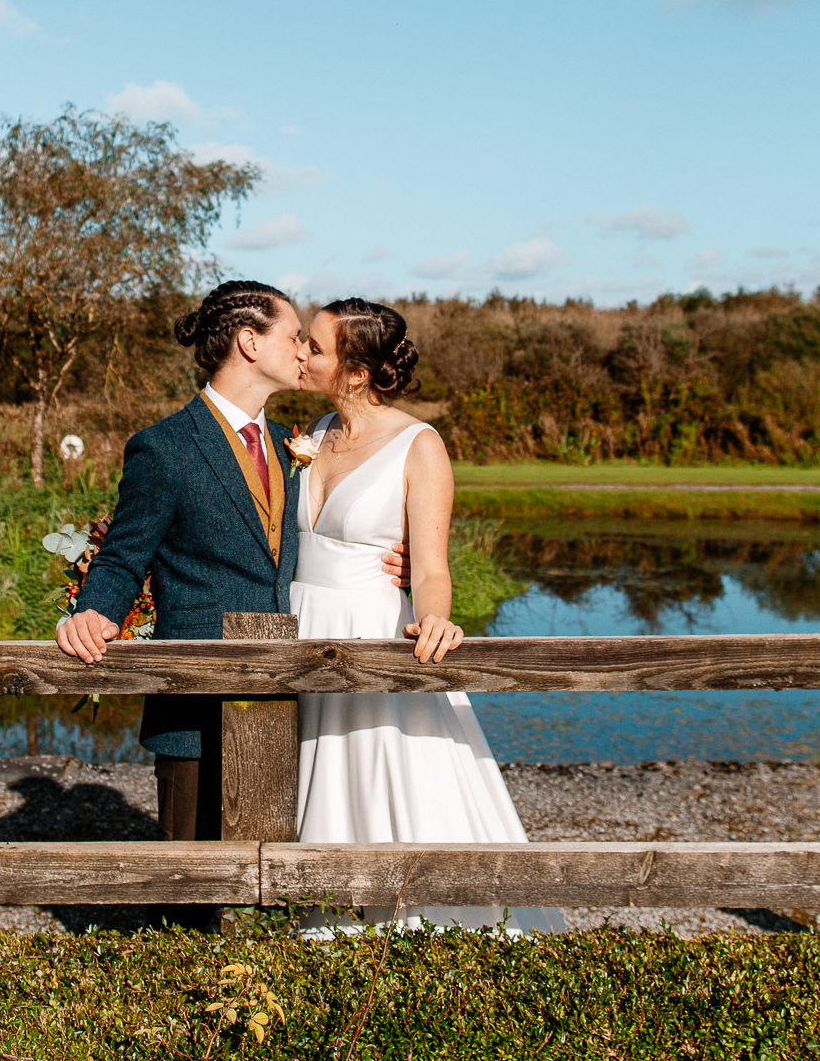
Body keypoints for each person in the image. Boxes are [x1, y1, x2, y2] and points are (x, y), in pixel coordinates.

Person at [55, 280, 409, 927]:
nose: (305, 350)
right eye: (294, 335)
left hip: (290, 692)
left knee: (273, 875)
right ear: (250, 342)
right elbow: (124, 555)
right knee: (192, 889)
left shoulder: (294, 446)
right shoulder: (163, 447)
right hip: (195, 696)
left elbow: (331, 537)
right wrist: (94, 612)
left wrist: (393, 565)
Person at [291, 297, 565, 936]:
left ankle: (419, 928)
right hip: (301, 632)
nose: (300, 353)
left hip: (372, 630)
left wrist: (434, 618)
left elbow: (433, 567)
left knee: (392, 776)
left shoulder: (419, 445)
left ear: (356, 372)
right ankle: (314, 915)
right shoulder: (307, 433)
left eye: (314, 345)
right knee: (311, 773)